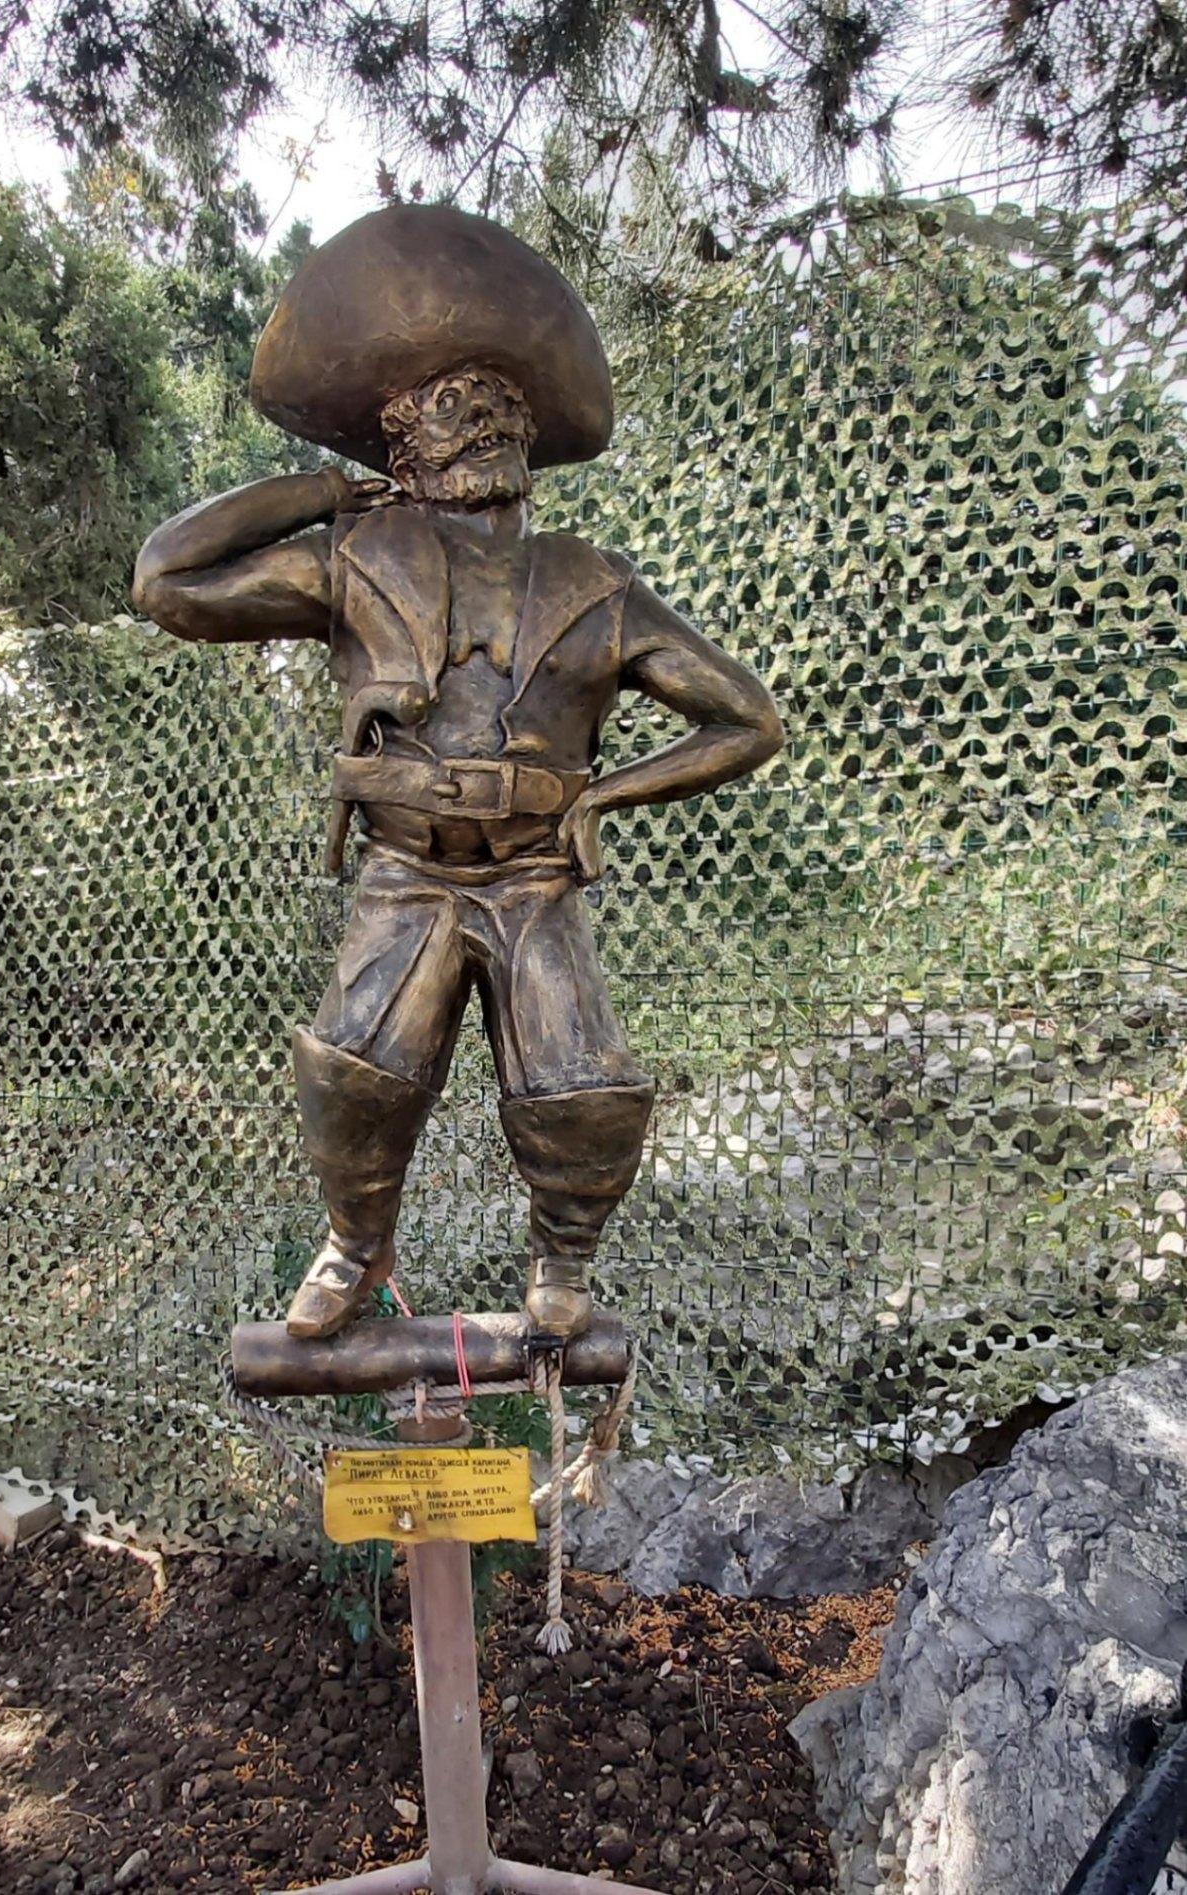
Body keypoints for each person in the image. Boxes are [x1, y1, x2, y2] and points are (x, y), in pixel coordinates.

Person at [134, 205, 783, 1343]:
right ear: (402, 448)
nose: (478, 417)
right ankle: (353, 1245)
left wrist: (605, 793)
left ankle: (562, 1262)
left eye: (495, 401)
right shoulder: (355, 558)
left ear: (527, 428)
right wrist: (321, 494)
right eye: (448, 404)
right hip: (405, 870)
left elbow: (746, 720)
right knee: (355, 1074)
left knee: (580, 1086)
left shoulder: (594, 581)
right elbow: (166, 580)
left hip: (534, 875)